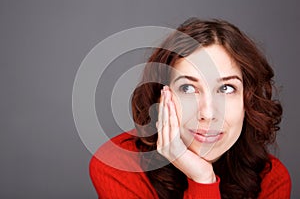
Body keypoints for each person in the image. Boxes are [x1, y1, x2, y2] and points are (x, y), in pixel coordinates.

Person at [89, 18, 291, 198]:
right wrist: (202, 180)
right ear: (161, 96)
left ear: (249, 101)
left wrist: (202, 178)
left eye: (226, 88)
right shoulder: (118, 165)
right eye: (187, 88)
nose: (208, 114)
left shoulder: (271, 179)